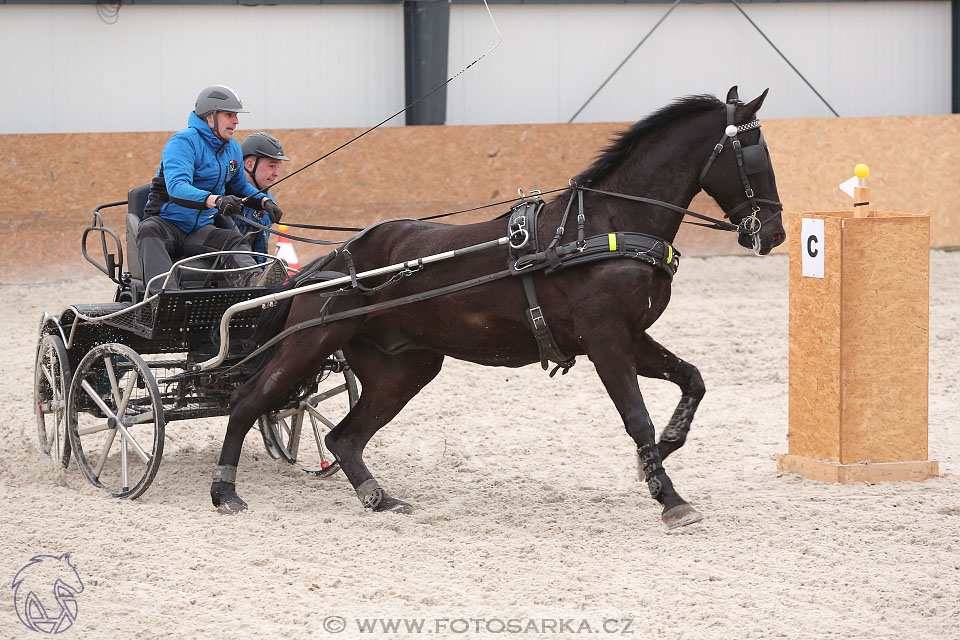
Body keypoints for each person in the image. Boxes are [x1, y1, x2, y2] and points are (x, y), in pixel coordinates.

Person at [137, 85, 285, 293]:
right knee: (148, 230)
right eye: (229, 114)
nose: (236, 121)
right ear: (210, 117)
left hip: (199, 229)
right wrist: (216, 200)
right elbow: (177, 188)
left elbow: (240, 186)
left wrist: (263, 202)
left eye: (236, 115)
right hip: (167, 224)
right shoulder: (183, 142)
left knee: (234, 239)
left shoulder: (232, 147)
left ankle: (253, 282)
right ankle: (164, 297)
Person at [234, 132, 290, 262]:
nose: (276, 174)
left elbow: (260, 252)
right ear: (249, 165)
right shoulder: (224, 193)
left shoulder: (269, 205)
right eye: (271, 166)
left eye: (278, 167)